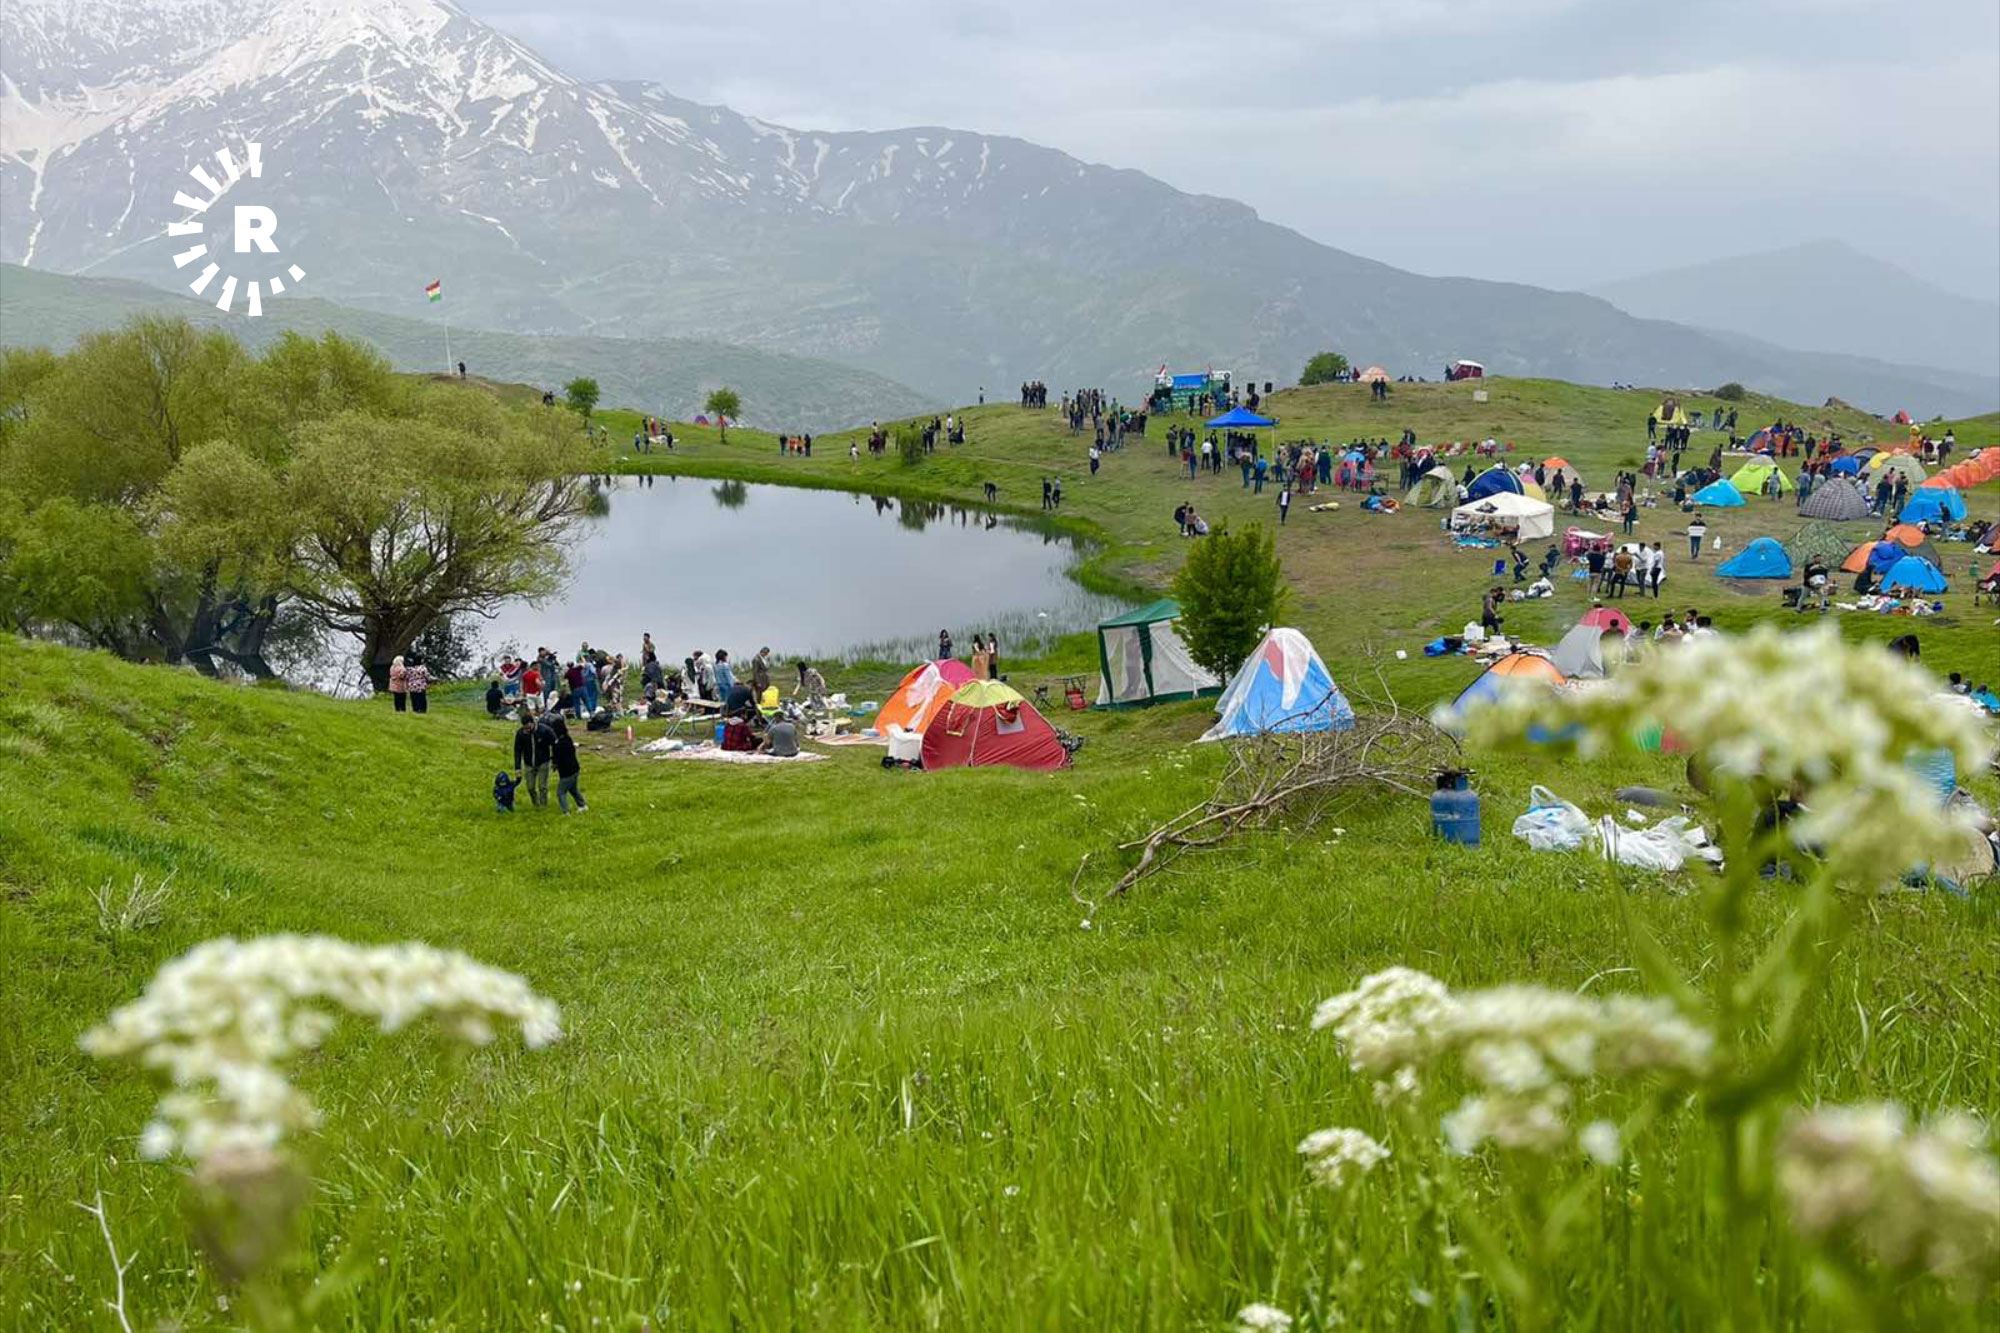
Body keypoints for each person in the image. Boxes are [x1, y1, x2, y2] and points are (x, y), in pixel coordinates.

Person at [514, 711, 553, 809]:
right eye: (525, 728)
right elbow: (517, 751)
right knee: (530, 787)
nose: (526, 730)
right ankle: (535, 804)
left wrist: (555, 760)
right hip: (529, 763)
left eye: (528, 727)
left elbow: (555, 743)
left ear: (532, 723)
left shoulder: (544, 730)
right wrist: (517, 768)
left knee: (542, 786)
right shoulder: (520, 734)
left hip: (543, 761)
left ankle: (543, 806)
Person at [549, 714, 587, 813]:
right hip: (575, 769)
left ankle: (565, 811)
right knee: (573, 789)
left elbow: (558, 758)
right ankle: (582, 805)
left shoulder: (559, 744)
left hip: (567, 772)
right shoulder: (568, 739)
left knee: (560, 792)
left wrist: (554, 763)